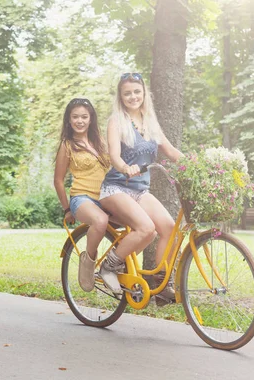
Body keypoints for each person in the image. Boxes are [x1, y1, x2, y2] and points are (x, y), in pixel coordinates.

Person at [98, 72, 184, 303]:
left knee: (168, 228)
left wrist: (196, 165)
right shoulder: (116, 122)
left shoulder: (151, 122)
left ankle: (161, 283)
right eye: (127, 93)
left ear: (144, 93)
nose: (133, 96)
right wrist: (126, 167)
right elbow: (114, 155)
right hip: (116, 188)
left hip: (139, 191)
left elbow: (171, 151)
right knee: (146, 229)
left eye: (137, 91)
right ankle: (108, 267)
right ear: (121, 97)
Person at [54, 98, 110, 292]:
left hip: (107, 197)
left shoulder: (101, 142)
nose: (80, 121)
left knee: (141, 227)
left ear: (91, 119)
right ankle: (88, 261)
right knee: (100, 221)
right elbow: (58, 180)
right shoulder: (67, 145)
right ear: (69, 121)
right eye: (75, 117)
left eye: (84, 117)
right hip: (82, 198)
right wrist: (67, 209)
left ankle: (112, 266)